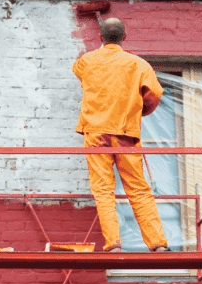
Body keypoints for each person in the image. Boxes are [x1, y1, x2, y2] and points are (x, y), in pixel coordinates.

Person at [72, 17, 169, 253]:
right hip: (126, 132)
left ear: (100, 37)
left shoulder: (87, 61)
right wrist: (140, 112)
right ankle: (157, 243)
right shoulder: (138, 64)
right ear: (124, 37)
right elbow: (154, 93)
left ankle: (113, 243)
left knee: (104, 190)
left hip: (95, 133)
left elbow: (79, 71)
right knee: (138, 189)